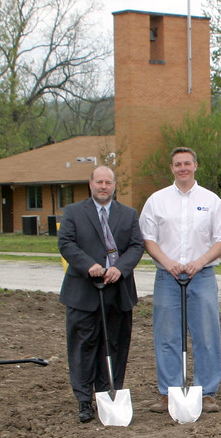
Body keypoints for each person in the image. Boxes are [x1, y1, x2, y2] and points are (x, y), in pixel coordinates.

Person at [140, 147, 221, 413]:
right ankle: (169, 392)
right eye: (177, 164)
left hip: (201, 275)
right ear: (172, 168)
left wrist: (200, 261)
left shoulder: (211, 200)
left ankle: (206, 392)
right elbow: (148, 238)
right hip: (167, 277)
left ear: (195, 166)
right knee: (167, 336)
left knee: (206, 335)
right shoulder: (157, 200)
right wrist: (167, 263)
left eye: (187, 163)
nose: (183, 168)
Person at [58, 166, 144, 423]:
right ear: (91, 184)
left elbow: (137, 245)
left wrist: (120, 268)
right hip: (84, 292)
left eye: (108, 182)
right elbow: (66, 243)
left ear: (114, 185)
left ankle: (108, 395)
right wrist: (88, 265)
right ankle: (84, 400)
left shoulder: (128, 215)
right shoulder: (74, 212)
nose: (103, 186)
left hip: (118, 291)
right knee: (83, 347)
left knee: (115, 345)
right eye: (99, 182)